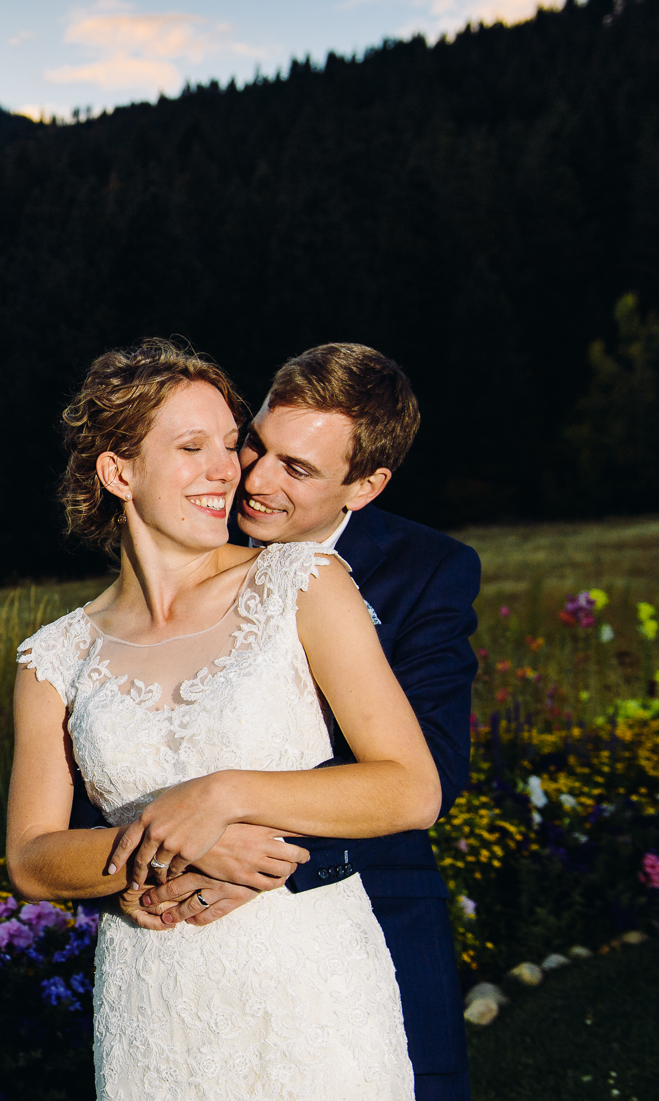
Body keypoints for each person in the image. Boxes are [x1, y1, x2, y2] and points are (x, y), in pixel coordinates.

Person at [6, 338, 441, 1100]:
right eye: (192, 446)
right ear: (119, 472)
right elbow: (32, 859)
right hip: (157, 1001)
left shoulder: (301, 583)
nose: (228, 469)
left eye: (230, 443)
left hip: (312, 990)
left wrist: (221, 794)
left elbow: (409, 789)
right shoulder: (55, 658)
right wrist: (162, 853)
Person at [131, 342, 479, 1101]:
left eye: (297, 468)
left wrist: (250, 841)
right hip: (184, 939)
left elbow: (436, 767)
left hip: (369, 913)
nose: (252, 481)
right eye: (256, 444)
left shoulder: (425, 572)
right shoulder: (187, 542)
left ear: (366, 485)